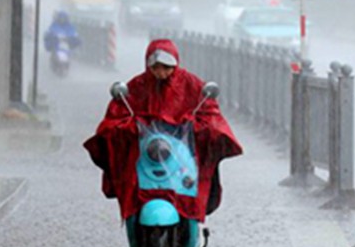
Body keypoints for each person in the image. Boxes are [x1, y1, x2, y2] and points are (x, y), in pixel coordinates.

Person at [83, 38, 243, 227]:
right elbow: (117, 116)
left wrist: (197, 126)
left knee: (193, 188)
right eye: (156, 68)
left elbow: (209, 114)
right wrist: (129, 128)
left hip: (182, 157)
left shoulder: (191, 85)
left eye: (167, 68)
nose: (161, 73)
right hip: (146, 156)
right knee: (132, 185)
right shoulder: (136, 87)